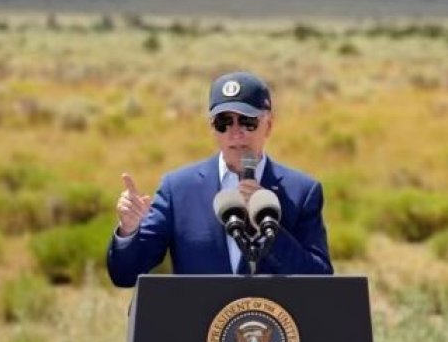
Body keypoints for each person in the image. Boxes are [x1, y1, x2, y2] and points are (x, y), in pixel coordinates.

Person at [107, 71, 333, 287]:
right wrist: (129, 232)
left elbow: (320, 279)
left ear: (269, 125)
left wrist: (268, 228)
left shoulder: (301, 192)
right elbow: (125, 275)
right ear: (212, 128)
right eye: (224, 122)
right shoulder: (178, 190)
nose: (236, 133)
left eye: (247, 121)